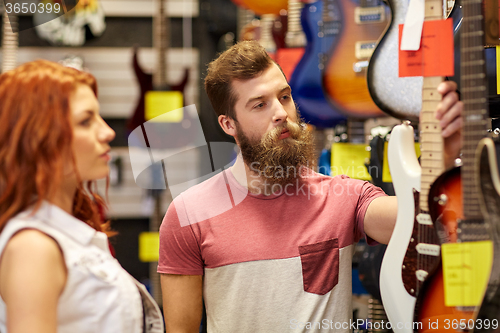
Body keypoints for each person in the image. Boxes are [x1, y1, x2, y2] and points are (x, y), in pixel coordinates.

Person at [158, 41, 463, 332]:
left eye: (285, 97)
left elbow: (417, 218)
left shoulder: (343, 197)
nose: (280, 113)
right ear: (229, 125)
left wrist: (444, 158)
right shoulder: (188, 215)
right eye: (260, 105)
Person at [0, 60, 164, 333]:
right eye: (86, 121)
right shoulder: (33, 247)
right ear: (38, 136)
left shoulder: (63, 233)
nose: (107, 131)